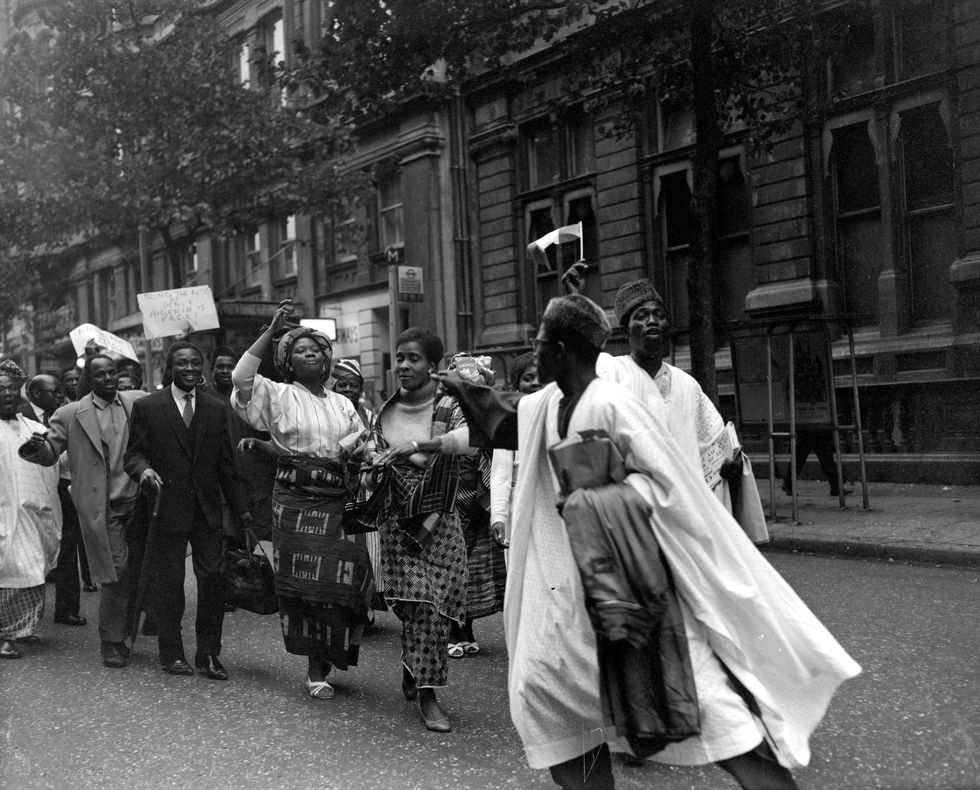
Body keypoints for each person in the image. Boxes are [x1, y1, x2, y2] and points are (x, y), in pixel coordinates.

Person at [440, 294, 861, 790]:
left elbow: (672, 492)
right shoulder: (548, 403)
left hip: (635, 593)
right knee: (547, 695)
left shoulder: (615, 405)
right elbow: (500, 423)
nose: (533, 357)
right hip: (570, 602)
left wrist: (597, 486)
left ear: (562, 350)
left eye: (539, 345)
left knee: (711, 711)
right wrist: (452, 395)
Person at [231, 304, 372, 701]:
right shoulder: (277, 395)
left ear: (327, 359)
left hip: (337, 498)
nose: (310, 354)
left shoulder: (343, 403)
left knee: (340, 582)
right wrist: (270, 332)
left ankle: (331, 655)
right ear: (287, 362)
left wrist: (360, 451)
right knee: (304, 587)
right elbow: (242, 377)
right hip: (294, 500)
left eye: (317, 349)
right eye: (299, 350)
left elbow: (362, 441)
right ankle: (314, 667)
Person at [594, 277, 768, 544]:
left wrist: (731, 465)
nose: (652, 321)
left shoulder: (687, 385)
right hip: (633, 518)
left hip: (684, 517)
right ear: (625, 331)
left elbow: (714, 444)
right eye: (641, 316)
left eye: (659, 315)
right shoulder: (612, 372)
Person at [124, 341, 251, 679]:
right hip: (166, 509)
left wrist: (242, 512)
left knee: (212, 583)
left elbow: (227, 465)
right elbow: (133, 455)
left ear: (202, 366)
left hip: (207, 510)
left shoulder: (215, 408)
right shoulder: (150, 407)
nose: (191, 368)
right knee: (170, 584)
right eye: (183, 363)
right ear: (171, 367)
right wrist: (144, 471)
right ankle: (172, 652)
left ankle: (208, 654)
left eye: (196, 362)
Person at [368, 327, 467, 733]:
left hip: (440, 520)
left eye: (413, 358)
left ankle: (417, 671)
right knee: (419, 603)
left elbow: (467, 440)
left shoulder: (451, 405)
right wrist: (370, 457)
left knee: (438, 604)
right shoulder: (383, 411)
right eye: (400, 358)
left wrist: (415, 448)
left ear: (432, 365)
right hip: (397, 522)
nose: (404, 365)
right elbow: (374, 452)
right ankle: (427, 693)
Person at [21, 355, 148, 668]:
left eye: (111, 373)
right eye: (99, 374)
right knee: (115, 573)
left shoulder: (138, 402)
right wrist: (39, 449)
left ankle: (127, 632)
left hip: (141, 503)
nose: (107, 378)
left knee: (140, 573)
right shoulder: (70, 413)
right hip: (103, 507)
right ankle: (112, 641)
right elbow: (51, 452)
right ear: (89, 379)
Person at [442, 353, 504, 658]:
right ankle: (453, 629)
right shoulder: (442, 409)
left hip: (480, 493)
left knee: (476, 567)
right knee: (454, 565)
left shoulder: (486, 408)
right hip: (452, 493)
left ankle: (467, 628)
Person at [0, 360, 62, 659]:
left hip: (34, 513)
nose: (7, 395)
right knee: (10, 569)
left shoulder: (35, 428)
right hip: (4, 515)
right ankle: (4, 634)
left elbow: (54, 461)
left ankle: (21, 629)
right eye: (0, 390)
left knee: (34, 567)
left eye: (12, 389)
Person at [17, 375, 87, 628]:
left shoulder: (67, 414)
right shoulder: (19, 416)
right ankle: (26, 616)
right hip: (28, 490)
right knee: (29, 551)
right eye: (54, 391)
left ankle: (67, 608)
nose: (60, 395)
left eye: (61, 391)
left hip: (62, 487)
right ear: (35, 394)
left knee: (67, 547)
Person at [331, 358, 385, 614]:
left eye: (353, 385)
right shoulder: (327, 414)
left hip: (365, 490)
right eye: (343, 385)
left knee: (366, 549)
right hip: (336, 488)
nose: (348, 390)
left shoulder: (373, 416)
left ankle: (366, 605)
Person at [211, 346, 276, 546]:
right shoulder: (206, 398)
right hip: (223, 483)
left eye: (230, 366)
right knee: (229, 540)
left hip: (255, 480)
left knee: (259, 540)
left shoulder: (250, 397)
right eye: (219, 366)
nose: (224, 370)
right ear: (211, 369)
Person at [489, 351, 541, 548]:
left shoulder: (557, 415)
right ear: (515, 386)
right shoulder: (509, 423)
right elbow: (500, 475)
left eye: (541, 378)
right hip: (519, 509)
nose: (536, 383)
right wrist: (498, 517)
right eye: (528, 378)